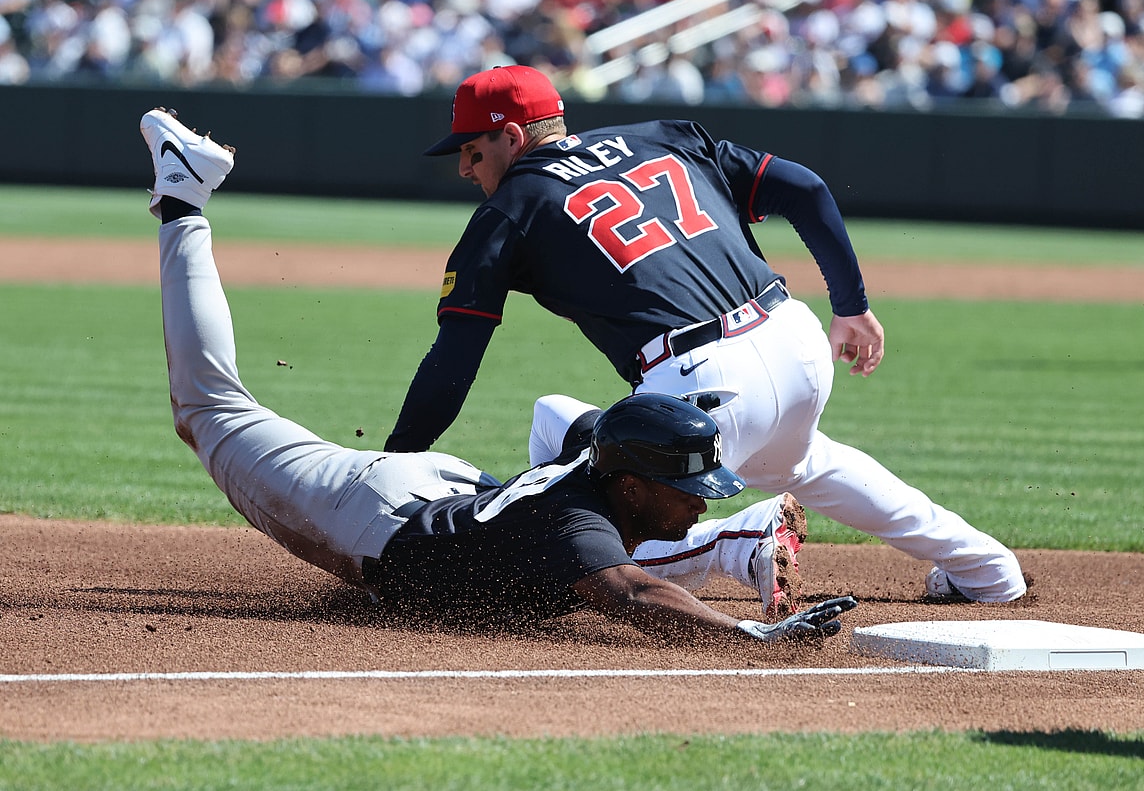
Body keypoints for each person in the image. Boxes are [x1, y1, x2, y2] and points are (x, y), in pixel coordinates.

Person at [137, 106, 858, 644]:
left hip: (449, 491)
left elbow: (614, 482)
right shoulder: (577, 519)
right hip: (372, 513)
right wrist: (753, 640)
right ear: (633, 481)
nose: (699, 499)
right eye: (690, 487)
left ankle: (748, 537)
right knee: (210, 411)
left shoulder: (607, 482)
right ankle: (182, 197)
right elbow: (634, 595)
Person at [385, 64, 1027, 603]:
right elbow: (804, 187)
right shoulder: (663, 138)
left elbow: (455, 357)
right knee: (569, 421)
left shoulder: (508, 211)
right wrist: (852, 306)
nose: (466, 168)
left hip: (703, 383)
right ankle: (987, 569)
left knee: (555, 540)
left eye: (472, 150)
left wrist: (397, 460)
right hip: (793, 341)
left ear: (513, 136)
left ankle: (739, 541)